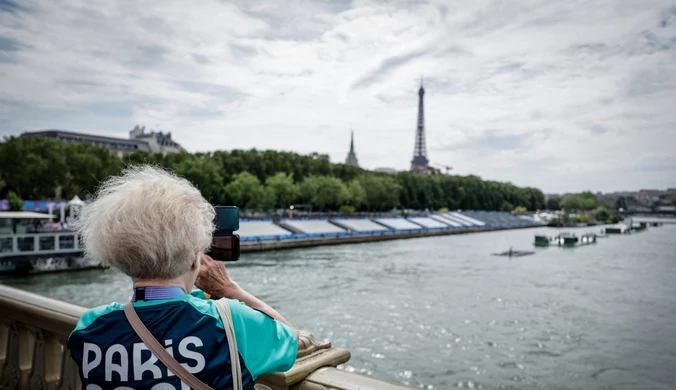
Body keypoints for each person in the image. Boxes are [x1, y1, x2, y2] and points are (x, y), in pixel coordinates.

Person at [68, 165, 298, 390]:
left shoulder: (90, 327)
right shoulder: (231, 321)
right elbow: (293, 342)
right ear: (194, 258)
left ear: (120, 259)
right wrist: (229, 289)